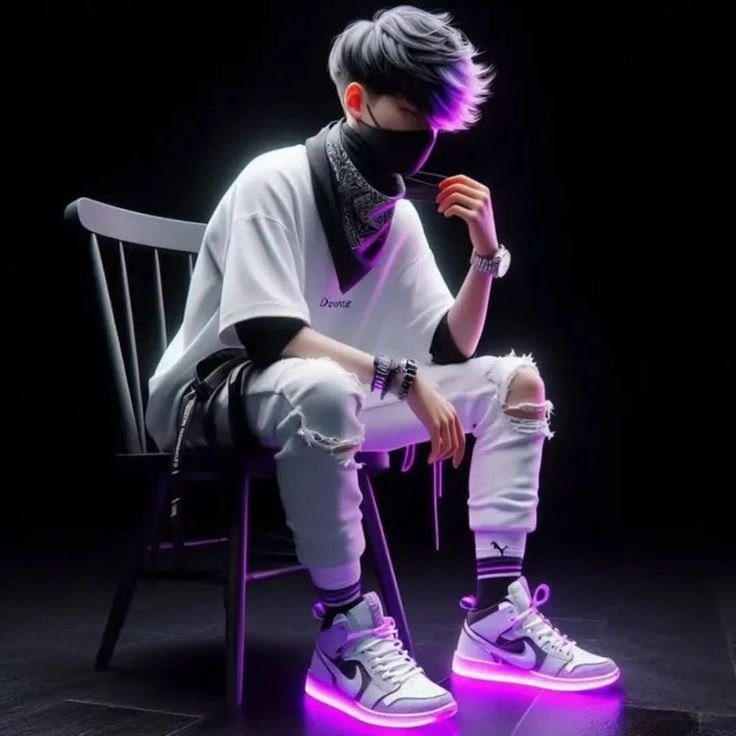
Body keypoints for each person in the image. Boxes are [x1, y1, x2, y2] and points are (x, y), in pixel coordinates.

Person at [146, 4, 619, 727]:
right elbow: (269, 334)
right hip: (214, 395)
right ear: (356, 100)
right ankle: (345, 634)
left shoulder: (395, 215)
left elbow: (450, 348)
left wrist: (486, 252)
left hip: (326, 394)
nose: (424, 135)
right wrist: (399, 379)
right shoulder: (274, 178)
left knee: (515, 382)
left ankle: (497, 619)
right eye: (411, 110)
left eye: (437, 119)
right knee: (324, 389)